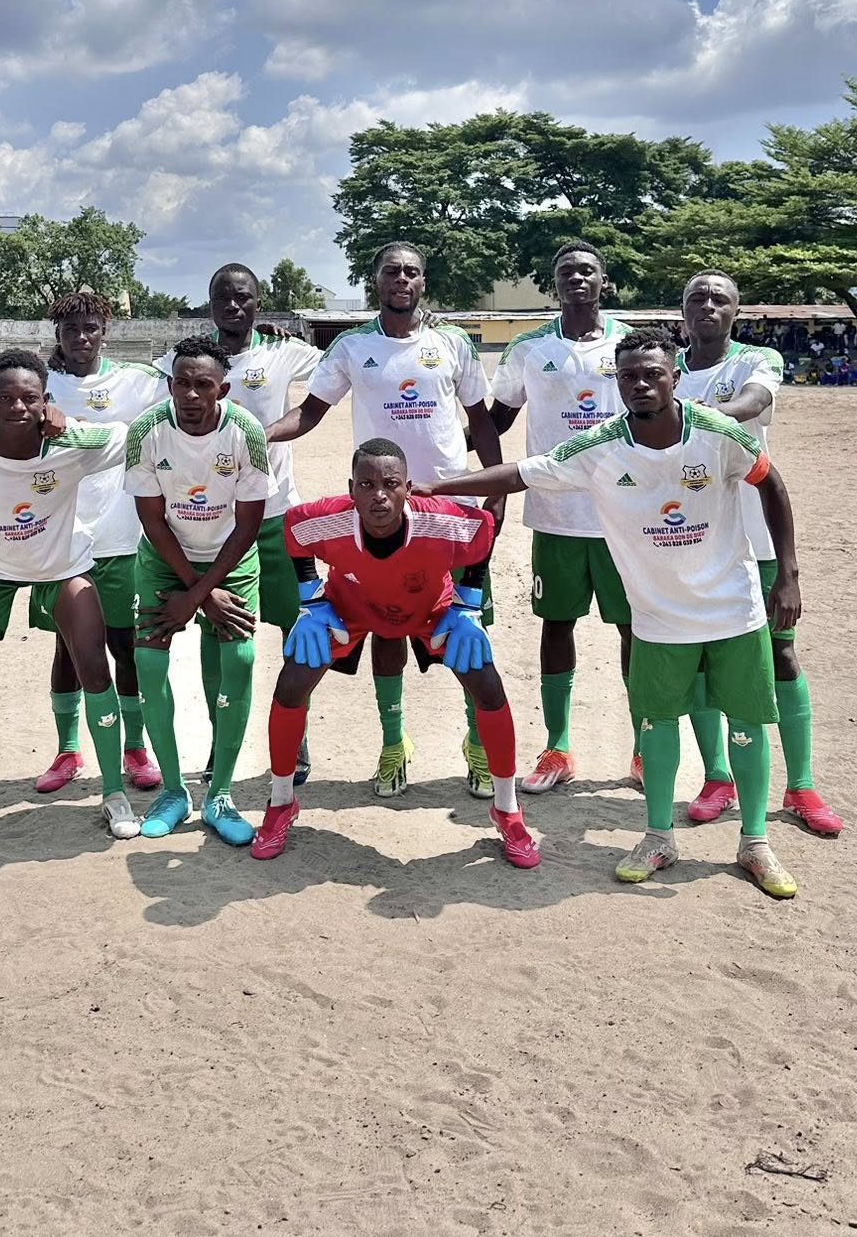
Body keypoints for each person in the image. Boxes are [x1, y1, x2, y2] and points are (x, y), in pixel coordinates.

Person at [438, 331, 804, 900]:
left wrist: (787, 574)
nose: (640, 384)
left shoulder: (717, 434)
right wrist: (437, 485)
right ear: (617, 381)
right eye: (629, 375)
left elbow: (772, 485)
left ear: (674, 376)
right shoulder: (601, 445)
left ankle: (754, 842)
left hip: (734, 609)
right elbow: (519, 473)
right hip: (658, 617)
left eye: (652, 373)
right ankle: (658, 836)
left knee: (747, 725)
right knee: (657, 725)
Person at [268, 242, 503, 800]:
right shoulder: (352, 346)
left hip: (449, 515)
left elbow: (481, 420)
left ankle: (478, 749)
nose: (402, 278)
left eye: (412, 271)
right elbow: (309, 413)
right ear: (375, 281)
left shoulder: (452, 344)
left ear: (424, 282)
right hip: (378, 514)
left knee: (470, 635)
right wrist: (256, 436)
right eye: (392, 271)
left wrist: (495, 484)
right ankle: (394, 745)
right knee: (387, 632)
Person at [251, 441, 538, 870]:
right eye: (366, 485)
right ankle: (281, 802)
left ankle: (507, 810)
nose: (378, 495)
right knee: (292, 682)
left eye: (390, 484)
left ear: (408, 488)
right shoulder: (326, 520)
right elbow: (293, 531)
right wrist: (311, 601)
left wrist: (467, 605)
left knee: (488, 685)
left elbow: (483, 534)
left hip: (430, 610)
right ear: (351, 489)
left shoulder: (440, 521)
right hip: (348, 610)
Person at [0, 349, 142, 854]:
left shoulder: (72, 444)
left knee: (95, 669)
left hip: (61, 567)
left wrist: (74, 422)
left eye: (30, 398)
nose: (18, 406)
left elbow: (134, 436)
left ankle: (113, 793)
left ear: (46, 401)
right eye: (7, 398)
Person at [676, 272, 843, 839]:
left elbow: (755, 402)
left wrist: (790, 572)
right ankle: (717, 777)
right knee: (698, 659)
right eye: (697, 297)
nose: (707, 305)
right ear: (682, 311)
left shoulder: (754, 360)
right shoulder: (664, 370)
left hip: (758, 540)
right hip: (690, 541)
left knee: (782, 657)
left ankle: (800, 786)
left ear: (735, 311)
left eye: (719, 298)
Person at [160, 265, 321, 788]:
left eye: (243, 297)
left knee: (296, 630)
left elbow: (345, 367)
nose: (233, 306)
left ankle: (293, 743)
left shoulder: (282, 351)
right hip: (214, 526)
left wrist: (260, 435)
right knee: (219, 637)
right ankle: (219, 745)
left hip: (277, 517)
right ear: (208, 303)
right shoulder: (185, 360)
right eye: (222, 298)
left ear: (258, 302)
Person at [488, 241, 633, 793]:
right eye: (567, 271)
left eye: (587, 270)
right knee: (557, 624)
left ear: (603, 281)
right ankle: (558, 746)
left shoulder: (629, 345)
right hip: (554, 513)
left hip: (623, 512)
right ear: (555, 283)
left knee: (633, 628)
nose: (577, 278)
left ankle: (643, 748)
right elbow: (496, 419)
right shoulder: (529, 348)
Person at [123, 338, 270, 843]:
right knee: (149, 662)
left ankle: (220, 795)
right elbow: (151, 518)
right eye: (181, 382)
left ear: (222, 389)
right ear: (169, 385)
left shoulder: (246, 433)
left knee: (243, 659)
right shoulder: (147, 431)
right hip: (166, 559)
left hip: (230, 557)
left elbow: (248, 526)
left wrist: (204, 591)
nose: (190, 394)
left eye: (202, 384)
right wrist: (198, 594)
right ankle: (172, 790)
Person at [40, 290, 164, 797]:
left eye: (91, 328)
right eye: (72, 330)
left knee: (125, 645)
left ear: (105, 331)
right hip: (59, 540)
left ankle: (135, 746)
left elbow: (189, 381)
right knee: (67, 647)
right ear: (58, 336)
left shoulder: (135, 381)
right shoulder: (41, 384)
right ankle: (68, 748)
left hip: (120, 535)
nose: (82, 338)